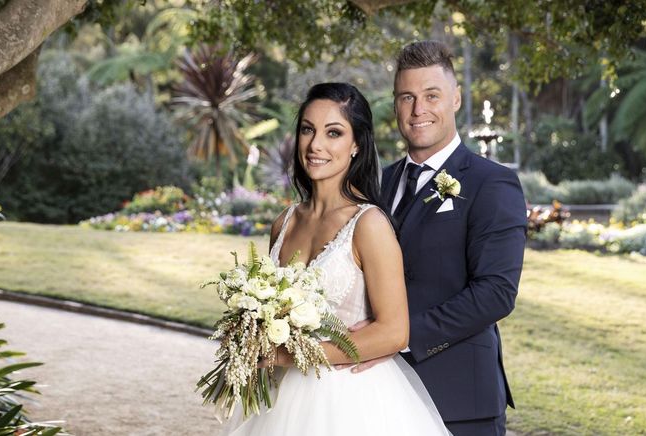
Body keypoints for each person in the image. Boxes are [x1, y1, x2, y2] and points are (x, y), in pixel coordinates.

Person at [223, 82, 450, 436]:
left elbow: (394, 331)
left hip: (348, 402)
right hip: (278, 399)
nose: (316, 145)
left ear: (356, 143)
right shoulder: (284, 223)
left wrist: (292, 355)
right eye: (307, 130)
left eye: (334, 133)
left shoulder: (369, 225)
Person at [346, 40, 527, 436]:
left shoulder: (493, 182)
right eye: (406, 97)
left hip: (459, 398)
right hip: (377, 394)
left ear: (456, 99)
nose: (418, 110)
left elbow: (496, 291)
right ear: (394, 105)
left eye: (431, 95)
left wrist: (398, 335)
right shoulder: (378, 182)